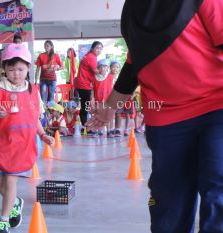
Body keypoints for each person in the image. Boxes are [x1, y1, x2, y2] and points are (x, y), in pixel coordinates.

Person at [87, 0, 223, 232]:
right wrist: (110, 106)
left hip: (216, 108)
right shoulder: (132, 11)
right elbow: (133, 65)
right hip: (165, 118)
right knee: (168, 201)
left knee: (217, 186)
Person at [0, 44, 54, 233]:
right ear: (4, 69)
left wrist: (43, 134)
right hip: (1, 143)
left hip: (22, 144)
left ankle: (3, 220)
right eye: (11, 69)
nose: (16, 73)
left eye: (20, 69)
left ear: (28, 68)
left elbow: (34, 117)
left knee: (11, 180)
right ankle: (15, 203)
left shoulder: (33, 90)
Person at [74, 41, 103, 126]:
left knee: (85, 104)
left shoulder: (89, 55)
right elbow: (96, 71)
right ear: (92, 48)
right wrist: (104, 71)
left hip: (82, 83)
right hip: (84, 84)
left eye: (101, 48)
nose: (99, 50)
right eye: (97, 48)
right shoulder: (91, 57)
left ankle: (85, 124)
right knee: (85, 105)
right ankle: (85, 125)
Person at [91, 59, 113, 136]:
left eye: (105, 67)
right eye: (101, 67)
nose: (103, 68)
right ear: (98, 68)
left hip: (109, 100)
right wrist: (92, 99)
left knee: (109, 116)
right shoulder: (94, 78)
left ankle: (109, 131)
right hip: (98, 100)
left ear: (107, 68)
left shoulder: (110, 77)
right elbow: (92, 90)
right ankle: (97, 130)